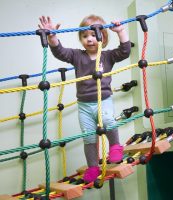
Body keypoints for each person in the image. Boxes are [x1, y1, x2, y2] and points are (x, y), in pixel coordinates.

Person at [38, 15, 131, 183]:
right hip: (84, 106)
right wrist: (52, 37)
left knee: (109, 120)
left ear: (103, 36)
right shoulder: (77, 56)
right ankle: (93, 167)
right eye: (85, 36)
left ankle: (115, 146)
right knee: (89, 137)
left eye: (94, 35)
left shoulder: (107, 56)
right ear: (81, 39)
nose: (89, 39)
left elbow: (125, 51)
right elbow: (60, 52)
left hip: (104, 100)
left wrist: (121, 32)